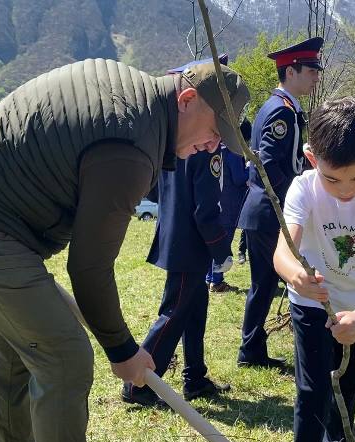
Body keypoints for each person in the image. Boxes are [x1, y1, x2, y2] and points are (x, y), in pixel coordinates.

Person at [0, 59, 249, 442]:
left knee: (17, 354)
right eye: (215, 130)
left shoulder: (136, 99)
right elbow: (89, 268)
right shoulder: (131, 147)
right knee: (64, 357)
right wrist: (122, 350)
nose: (213, 145)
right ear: (187, 100)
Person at [273, 97, 355, 442]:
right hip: (311, 303)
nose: (345, 189)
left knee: (344, 387)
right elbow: (282, 253)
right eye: (331, 178)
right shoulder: (303, 189)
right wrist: (297, 277)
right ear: (312, 158)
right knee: (313, 388)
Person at [122, 55, 235, 407]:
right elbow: (206, 209)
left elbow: (156, 190)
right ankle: (137, 385)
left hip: (176, 235)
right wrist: (221, 250)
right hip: (192, 244)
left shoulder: (175, 137)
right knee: (173, 315)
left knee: (193, 311)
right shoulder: (206, 145)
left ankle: (195, 377)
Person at [237, 36, 323, 369]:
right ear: (291, 71)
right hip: (269, 210)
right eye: (311, 70)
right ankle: (252, 350)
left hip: (264, 209)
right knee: (269, 283)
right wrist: (297, 200)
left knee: (264, 284)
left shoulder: (282, 107)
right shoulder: (281, 112)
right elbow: (270, 166)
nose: (316, 76)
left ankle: (252, 350)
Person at [206, 119, 251, 293]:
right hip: (230, 205)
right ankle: (217, 281)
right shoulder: (234, 151)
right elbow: (239, 179)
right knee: (224, 245)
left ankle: (209, 277)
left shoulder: (218, 147)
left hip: (215, 201)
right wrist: (251, 167)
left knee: (214, 242)